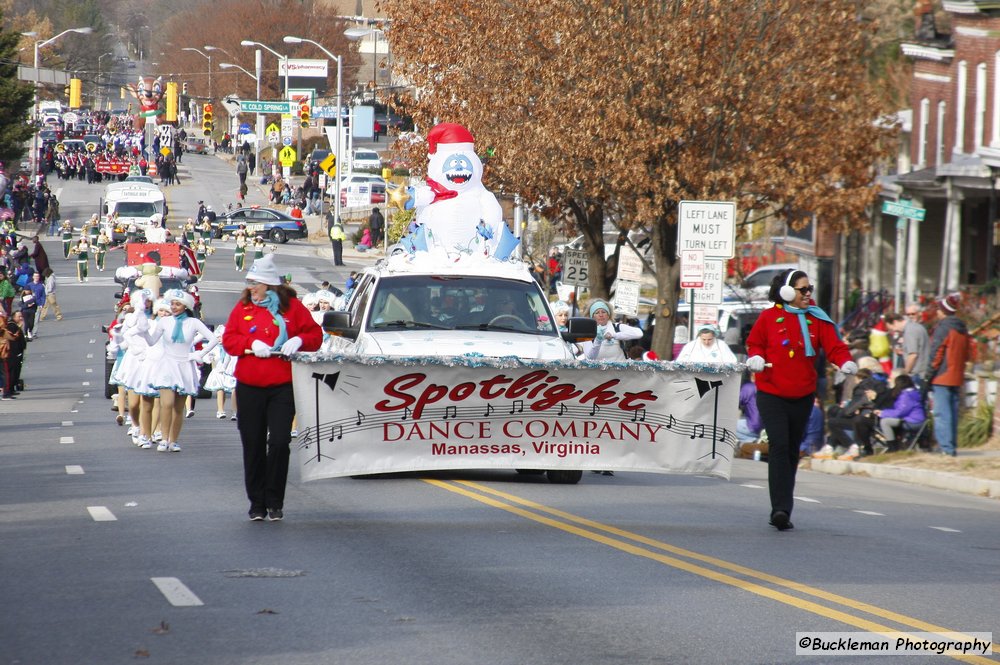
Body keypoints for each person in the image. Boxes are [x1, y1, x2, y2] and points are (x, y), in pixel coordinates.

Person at [745, 268, 856, 531]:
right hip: (771, 392)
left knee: (792, 450)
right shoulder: (769, 317)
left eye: (810, 289)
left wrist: (845, 361)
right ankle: (779, 510)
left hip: (803, 394)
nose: (808, 294)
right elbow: (755, 343)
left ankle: (786, 506)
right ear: (787, 292)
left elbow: (834, 346)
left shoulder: (817, 318)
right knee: (780, 446)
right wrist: (756, 357)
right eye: (802, 290)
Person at [222, 254, 323, 521]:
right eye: (249, 283)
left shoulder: (293, 308)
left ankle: (275, 500)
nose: (250, 288)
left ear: (268, 284)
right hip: (250, 385)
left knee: (279, 442)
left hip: (282, 385)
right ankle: (257, 502)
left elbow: (316, 335)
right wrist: (250, 344)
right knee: (252, 444)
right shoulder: (243, 309)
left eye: (254, 283)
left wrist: (299, 340)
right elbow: (229, 340)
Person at [135, 289, 218, 452]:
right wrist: (144, 331)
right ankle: (163, 439)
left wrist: (199, 354)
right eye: (172, 303)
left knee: (179, 407)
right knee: (167, 403)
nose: (173, 307)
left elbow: (214, 338)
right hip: (167, 364)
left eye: (177, 304)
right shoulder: (164, 322)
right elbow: (152, 342)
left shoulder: (194, 323)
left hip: (185, 365)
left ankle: (173, 440)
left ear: (185, 306)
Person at [925, 293, 973, 457]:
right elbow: (968, 353)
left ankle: (946, 448)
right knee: (952, 413)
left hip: (942, 375)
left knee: (941, 413)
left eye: (938, 309)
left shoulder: (944, 327)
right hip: (957, 375)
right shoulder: (962, 328)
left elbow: (937, 353)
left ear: (943, 311)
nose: (937, 312)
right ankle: (951, 446)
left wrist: (929, 374)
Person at [874, 373, 926, 453]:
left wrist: (882, 413)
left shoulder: (906, 396)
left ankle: (892, 447)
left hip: (913, 422)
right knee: (888, 421)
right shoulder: (914, 392)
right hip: (915, 420)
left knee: (885, 422)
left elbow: (900, 412)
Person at [884, 310, 931, 387]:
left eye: (892, 328)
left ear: (895, 322)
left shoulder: (910, 331)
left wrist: (905, 372)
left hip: (917, 373)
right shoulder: (917, 326)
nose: (894, 331)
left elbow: (913, 355)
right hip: (924, 371)